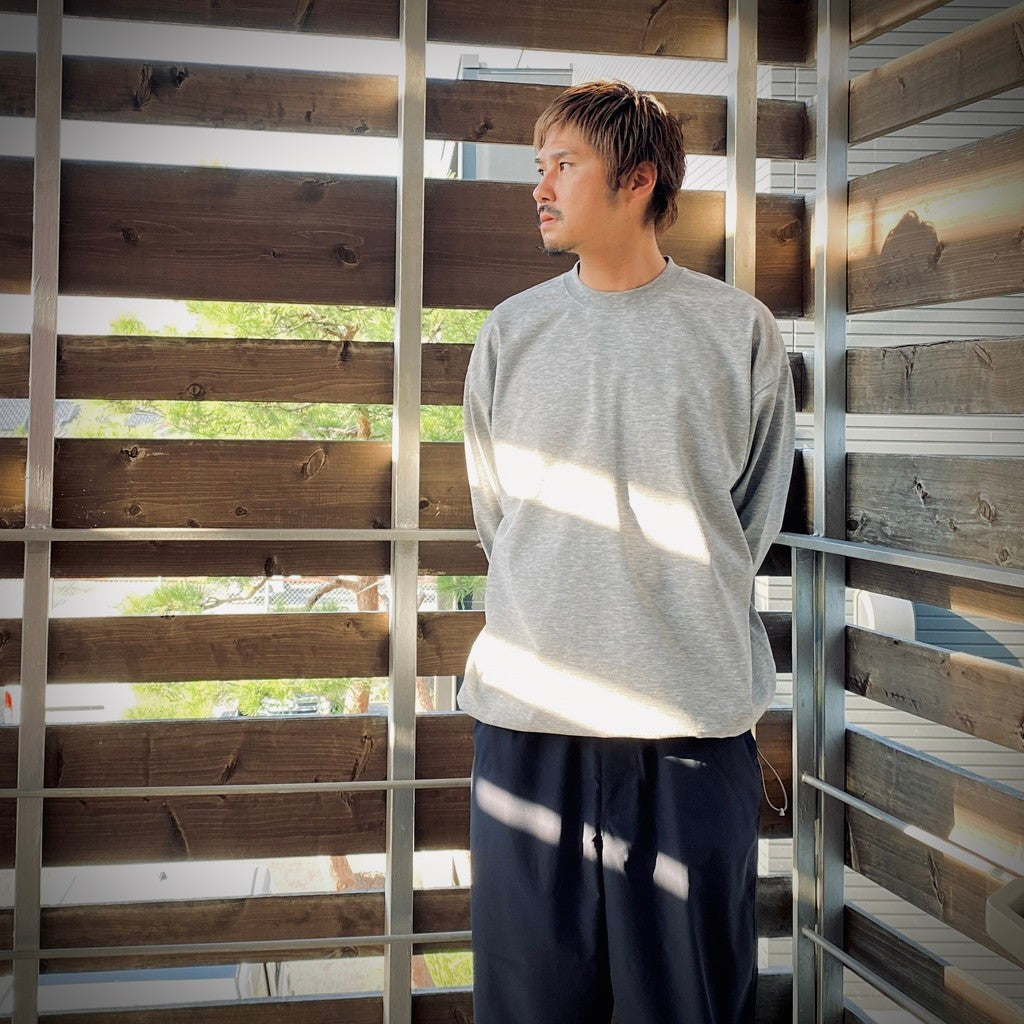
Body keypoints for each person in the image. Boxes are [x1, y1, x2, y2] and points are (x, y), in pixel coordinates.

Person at [458, 79, 796, 1024]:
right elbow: (497, 518)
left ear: (639, 179)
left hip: (690, 729)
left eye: (564, 165)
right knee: (530, 1005)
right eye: (539, 166)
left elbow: (750, 518)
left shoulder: (739, 330)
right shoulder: (511, 332)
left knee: (691, 1004)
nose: (541, 187)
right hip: (530, 728)